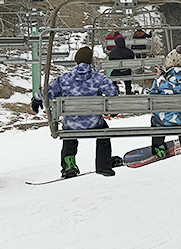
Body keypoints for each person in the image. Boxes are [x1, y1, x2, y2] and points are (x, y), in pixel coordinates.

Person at [31, 46, 120, 178]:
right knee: (104, 133)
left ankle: (69, 166)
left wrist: (37, 99)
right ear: (91, 62)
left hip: (71, 123)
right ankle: (103, 165)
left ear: (76, 62)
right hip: (94, 123)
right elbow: (112, 93)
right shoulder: (99, 78)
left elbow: (47, 93)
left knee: (68, 134)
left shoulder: (64, 79)